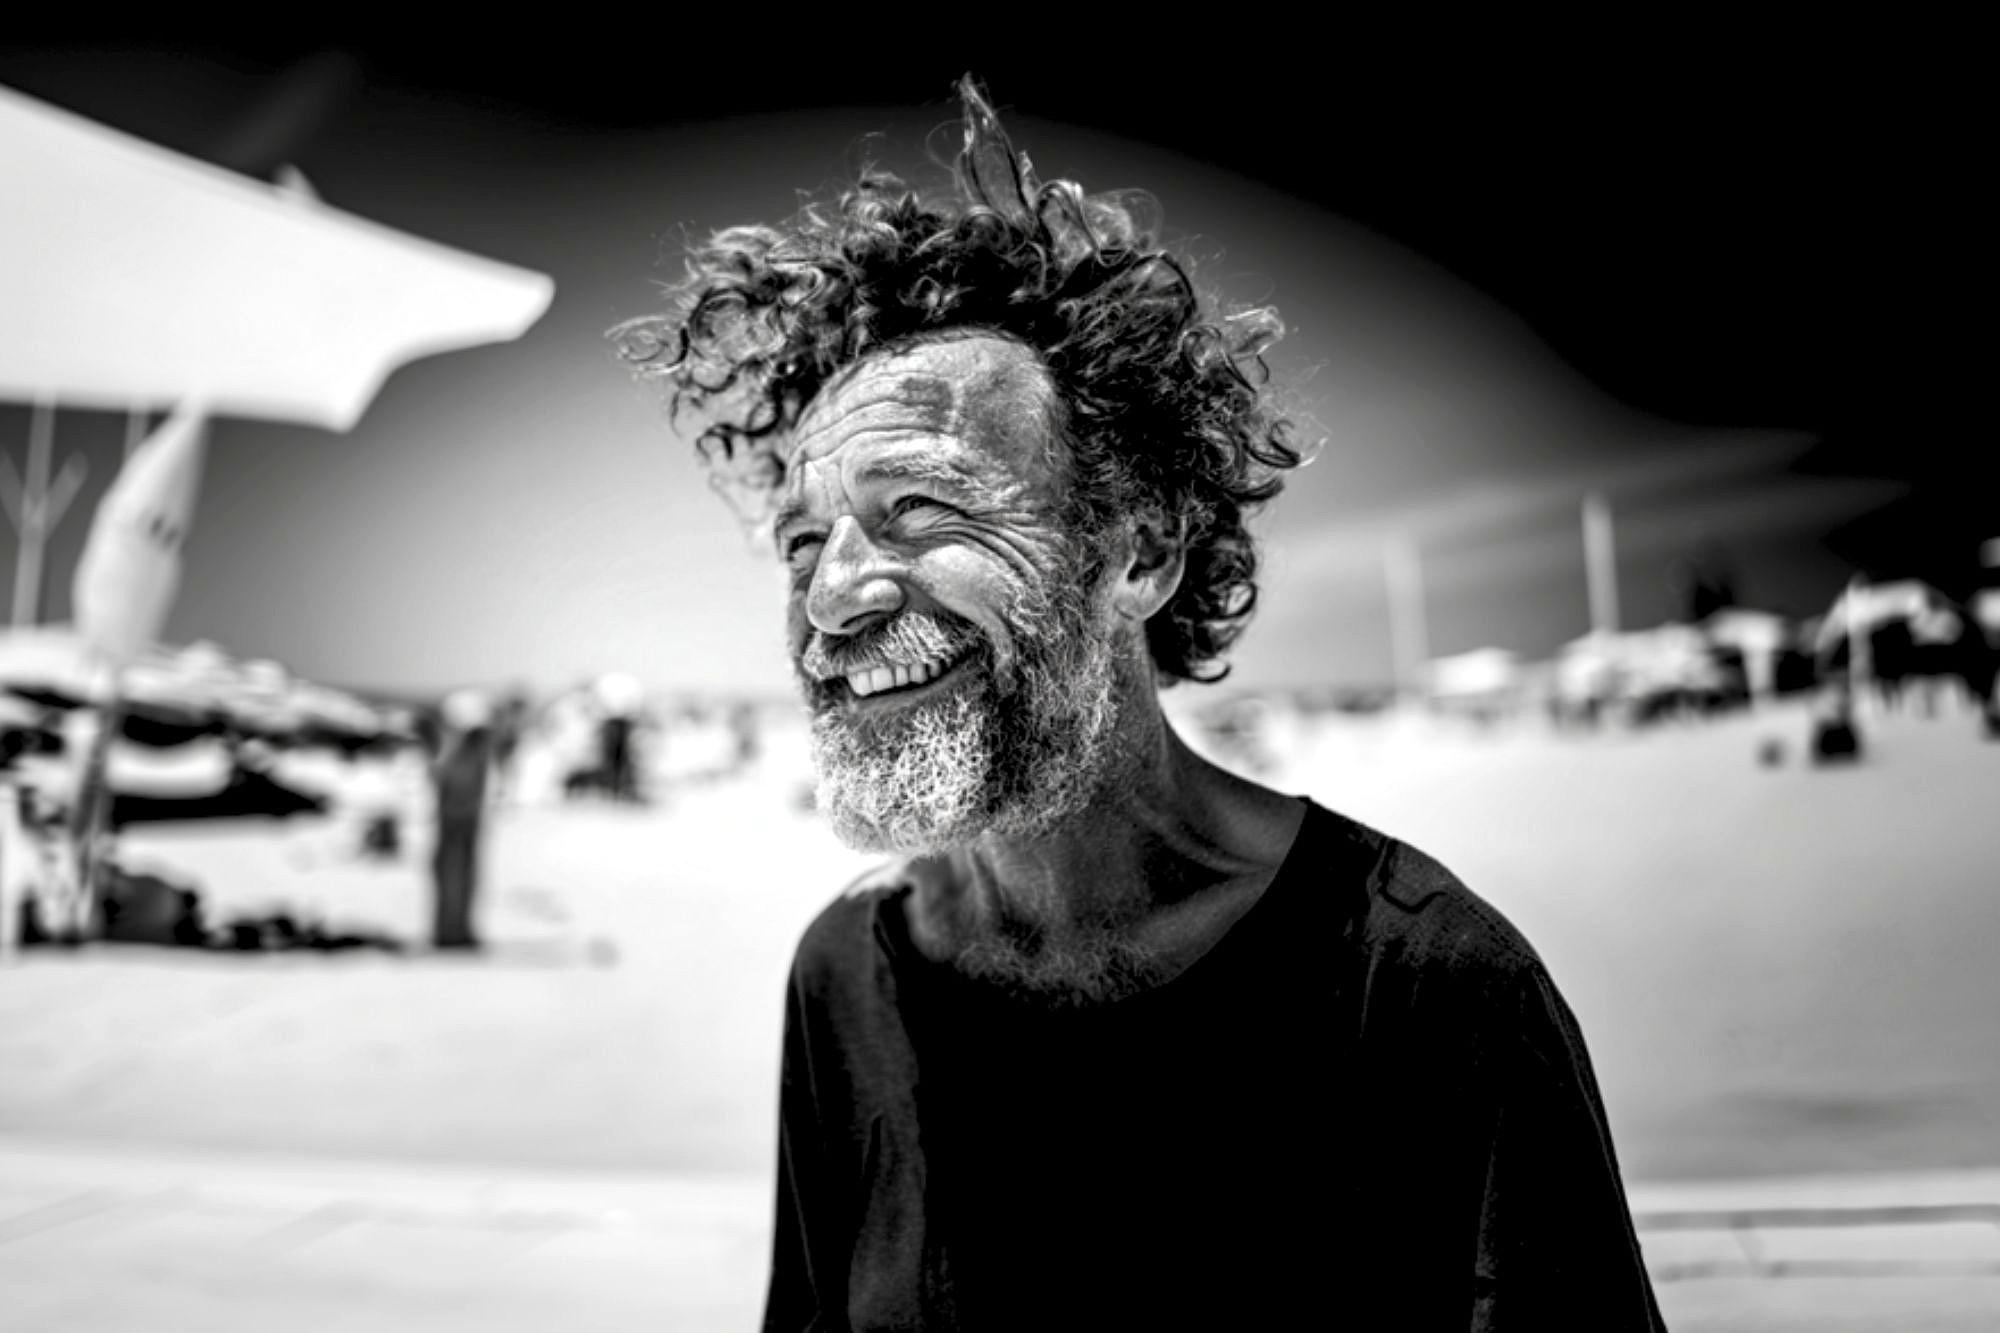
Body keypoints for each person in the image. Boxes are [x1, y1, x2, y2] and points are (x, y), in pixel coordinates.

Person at [617, 79, 1666, 1331]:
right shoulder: (847, 977)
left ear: (1138, 553)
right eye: (800, 541)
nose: (832, 595)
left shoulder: (1426, 982)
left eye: (925, 510)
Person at [429, 689, 493, 950]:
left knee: (460, 876)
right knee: (455, 876)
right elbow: (455, 789)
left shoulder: (461, 753)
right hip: (457, 824)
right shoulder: (460, 754)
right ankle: (450, 933)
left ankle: (456, 930)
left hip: (461, 823)